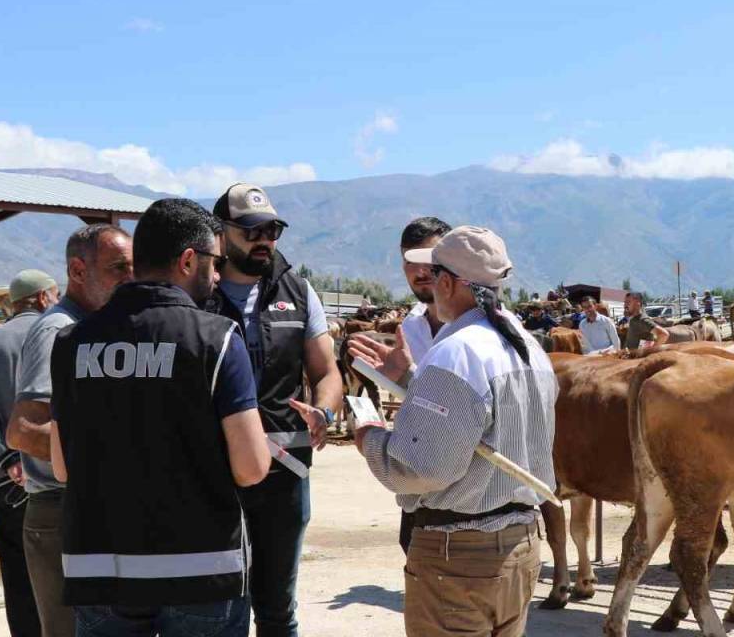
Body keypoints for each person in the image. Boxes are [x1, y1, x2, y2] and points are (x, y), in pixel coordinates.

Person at [49, 198, 270, 636]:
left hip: (100, 568)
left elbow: (61, 467)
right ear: (189, 260)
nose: (219, 273)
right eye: (215, 261)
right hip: (201, 570)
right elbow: (251, 467)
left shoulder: (71, 342)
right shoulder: (217, 338)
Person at [347, 226, 555, 637]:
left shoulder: (456, 352)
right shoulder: (526, 346)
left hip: (458, 556)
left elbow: (420, 469)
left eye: (434, 276)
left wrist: (368, 435)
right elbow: (486, 427)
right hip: (521, 542)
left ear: (447, 282)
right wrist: (409, 380)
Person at [203, 183, 343, 637]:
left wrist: (324, 410)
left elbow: (327, 373)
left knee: (277, 610)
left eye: (273, 229)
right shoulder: (194, 292)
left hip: (285, 475)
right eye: (251, 230)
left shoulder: (299, 292)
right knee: (215, 608)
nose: (264, 238)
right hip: (210, 476)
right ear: (219, 233)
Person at [8, 224, 133, 637]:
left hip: (84, 505)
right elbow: (23, 430)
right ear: (78, 271)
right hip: (59, 511)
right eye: (119, 268)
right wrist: (109, 459)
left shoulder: (93, 325)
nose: (130, 278)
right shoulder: (58, 330)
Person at [0, 269, 59, 637]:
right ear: (40, 298)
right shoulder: (60, 334)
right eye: (52, 294)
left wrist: (7, 459)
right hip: (55, 479)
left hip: (2, 483)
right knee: (61, 574)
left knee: (17, 575)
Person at [383, 216, 453, 555]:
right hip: (419, 479)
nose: (420, 270)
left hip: (471, 487)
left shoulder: (484, 327)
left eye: (429, 259)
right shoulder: (409, 327)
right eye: (410, 260)